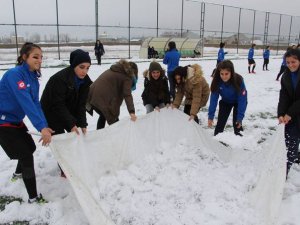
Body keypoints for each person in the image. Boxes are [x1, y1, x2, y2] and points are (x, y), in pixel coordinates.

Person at [0, 42, 53, 204]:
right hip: (3, 122)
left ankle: (17, 174)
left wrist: (44, 125)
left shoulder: (34, 78)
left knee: (30, 148)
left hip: (15, 120)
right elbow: (26, 102)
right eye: (35, 56)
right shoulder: (14, 75)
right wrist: (41, 127)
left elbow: (35, 103)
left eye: (41, 57)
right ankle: (33, 197)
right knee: (26, 156)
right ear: (24, 57)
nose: (39, 60)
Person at [40, 49, 93, 177]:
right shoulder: (59, 79)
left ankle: (72, 163)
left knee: (74, 137)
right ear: (74, 65)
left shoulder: (85, 81)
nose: (85, 71)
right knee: (61, 141)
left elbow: (81, 105)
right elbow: (58, 105)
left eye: (87, 68)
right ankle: (65, 170)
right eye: (81, 67)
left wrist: (82, 124)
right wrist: (71, 124)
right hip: (51, 111)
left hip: (68, 109)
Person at [86, 59, 138, 129]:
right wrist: (132, 112)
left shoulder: (116, 69)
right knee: (112, 117)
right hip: (101, 97)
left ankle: (99, 135)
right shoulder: (127, 76)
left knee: (103, 115)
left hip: (91, 94)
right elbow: (127, 95)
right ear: (133, 73)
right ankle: (116, 135)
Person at [208, 60, 247, 136]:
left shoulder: (238, 80)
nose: (224, 76)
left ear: (231, 72)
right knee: (220, 124)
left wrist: (240, 117)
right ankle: (217, 141)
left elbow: (242, 99)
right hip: (225, 102)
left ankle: (240, 140)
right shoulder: (216, 81)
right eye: (221, 74)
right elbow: (213, 99)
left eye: (226, 74)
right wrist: (210, 116)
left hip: (238, 102)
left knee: (237, 125)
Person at [277, 49, 300, 176]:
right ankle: (284, 171)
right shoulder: (286, 76)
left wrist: (290, 112)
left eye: (294, 61)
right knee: (290, 140)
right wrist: (281, 113)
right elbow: (284, 96)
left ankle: (295, 156)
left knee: (295, 139)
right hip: (292, 113)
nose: (291, 65)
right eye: (288, 62)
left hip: (294, 111)